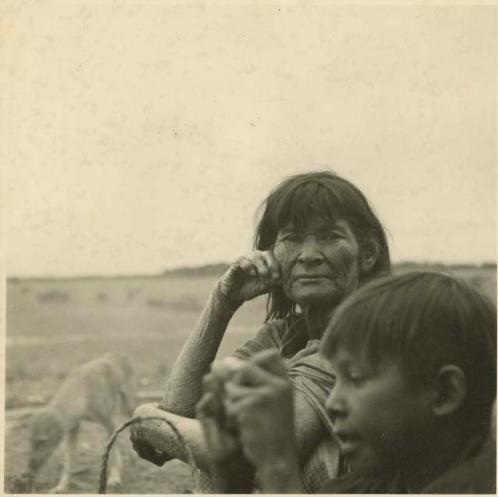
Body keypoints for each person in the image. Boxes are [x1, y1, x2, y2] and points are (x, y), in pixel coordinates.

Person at [130, 170, 391, 491]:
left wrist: (146, 419)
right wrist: (222, 302)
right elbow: (182, 410)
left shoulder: (362, 334)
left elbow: (251, 454)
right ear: (272, 254)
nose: (308, 255)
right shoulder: (284, 336)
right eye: (292, 239)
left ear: (367, 253)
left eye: (329, 237)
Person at [200, 272, 496, 493]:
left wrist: (278, 466)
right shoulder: (380, 478)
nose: (332, 403)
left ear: (445, 393)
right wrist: (233, 475)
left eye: (355, 378)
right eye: (335, 379)